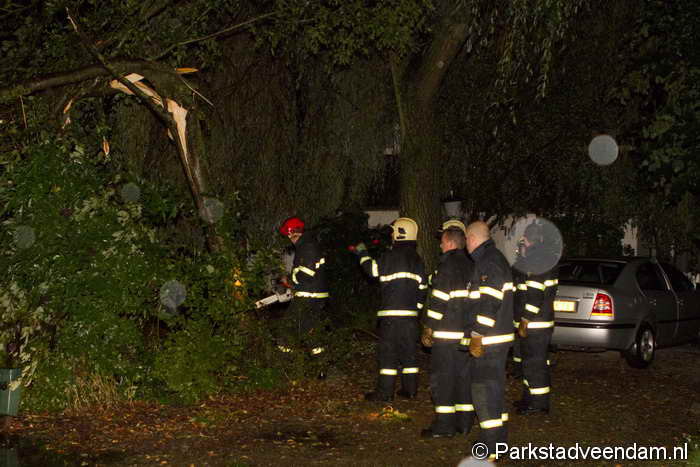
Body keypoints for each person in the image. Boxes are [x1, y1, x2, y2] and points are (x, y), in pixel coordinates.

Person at [354, 218, 427, 402]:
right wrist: (415, 311)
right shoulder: (417, 260)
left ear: (398, 234)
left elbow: (372, 270)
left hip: (390, 319)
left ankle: (385, 393)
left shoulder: (389, 256)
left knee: (388, 355)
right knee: (409, 354)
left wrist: (362, 252)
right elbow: (423, 289)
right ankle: (410, 390)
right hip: (411, 320)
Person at [461, 220, 515, 461]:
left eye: (466, 239)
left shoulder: (489, 262)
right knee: (493, 390)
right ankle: (497, 440)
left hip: (489, 340)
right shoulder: (491, 259)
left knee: (483, 391)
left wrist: (477, 335)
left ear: (472, 239)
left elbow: (490, 301)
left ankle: (491, 447)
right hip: (494, 339)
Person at [421, 220, 475, 438]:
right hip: (467, 336)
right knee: (463, 380)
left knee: (442, 381)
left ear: (451, 243)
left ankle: (444, 425)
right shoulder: (472, 265)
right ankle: (464, 423)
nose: (440, 246)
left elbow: (439, 301)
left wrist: (429, 328)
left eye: (442, 242)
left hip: (445, 336)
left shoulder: (446, 266)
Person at [512, 223, 559, 415]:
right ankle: (529, 398)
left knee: (535, 365)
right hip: (540, 323)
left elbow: (534, 295)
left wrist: (525, 319)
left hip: (534, 324)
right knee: (531, 363)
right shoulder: (545, 258)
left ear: (526, 239)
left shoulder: (536, 260)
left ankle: (538, 404)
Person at [279, 217, 330, 375]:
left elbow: (306, 274)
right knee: (308, 332)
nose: (288, 238)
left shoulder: (307, 246)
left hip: (309, 297)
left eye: (288, 234)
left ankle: (288, 367)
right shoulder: (308, 245)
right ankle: (320, 367)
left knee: (287, 329)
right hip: (311, 295)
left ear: (292, 232)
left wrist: (289, 280)